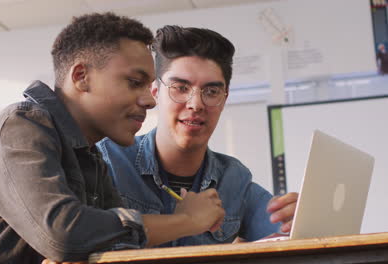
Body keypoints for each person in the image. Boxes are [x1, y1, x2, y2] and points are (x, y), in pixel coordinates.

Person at [0, 14, 225, 263]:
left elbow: (119, 247)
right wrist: (187, 220)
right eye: (134, 82)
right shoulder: (21, 126)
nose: (149, 100)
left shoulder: (91, 155)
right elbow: (63, 234)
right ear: (81, 77)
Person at [97, 25, 298, 246]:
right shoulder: (106, 162)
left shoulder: (234, 178)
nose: (196, 104)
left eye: (211, 91)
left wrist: (300, 220)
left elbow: (289, 236)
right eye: (181, 88)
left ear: (224, 98)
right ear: (155, 91)